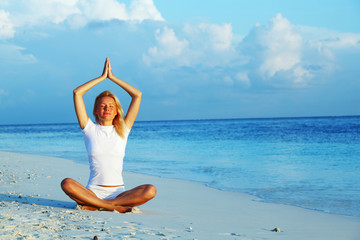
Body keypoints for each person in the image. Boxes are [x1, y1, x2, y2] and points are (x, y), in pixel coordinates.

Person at [61, 58, 156, 213]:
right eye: (103, 106)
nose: (107, 108)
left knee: (150, 190)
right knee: (66, 183)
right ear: (96, 111)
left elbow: (137, 95)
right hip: (92, 192)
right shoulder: (89, 128)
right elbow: (77, 93)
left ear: (117, 110)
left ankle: (99, 205)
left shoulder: (123, 129)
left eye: (111, 106)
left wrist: (112, 78)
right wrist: (101, 78)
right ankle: (110, 207)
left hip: (119, 193)